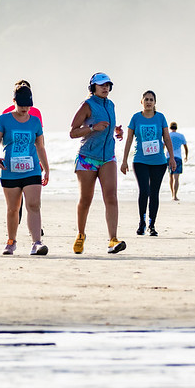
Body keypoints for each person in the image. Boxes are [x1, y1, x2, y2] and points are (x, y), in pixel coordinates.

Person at [69, 72, 126, 254]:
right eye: (101, 85)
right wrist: (93, 128)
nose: (105, 88)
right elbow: (73, 132)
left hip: (108, 156)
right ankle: (80, 234)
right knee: (86, 200)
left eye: (108, 85)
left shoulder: (111, 105)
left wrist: (115, 131)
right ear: (93, 87)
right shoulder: (87, 105)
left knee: (111, 197)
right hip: (87, 158)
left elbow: (107, 126)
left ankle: (113, 239)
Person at [0, 85, 50, 255]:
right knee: (13, 208)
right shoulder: (3, 120)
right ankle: (11, 242)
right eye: (21, 104)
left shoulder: (35, 121)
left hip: (31, 169)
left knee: (34, 205)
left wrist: (46, 169)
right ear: (14, 101)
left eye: (28, 104)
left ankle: (36, 242)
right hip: (10, 170)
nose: (25, 108)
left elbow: (40, 146)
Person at [121, 90, 176, 236]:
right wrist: (124, 160)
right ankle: (142, 222)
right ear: (141, 102)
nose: (149, 102)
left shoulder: (160, 117)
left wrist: (171, 157)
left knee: (154, 192)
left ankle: (152, 224)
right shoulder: (135, 118)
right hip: (140, 160)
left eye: (151, 99)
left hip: (158, 162)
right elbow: (128, 140)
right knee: (144, 191)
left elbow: (167, 138)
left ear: (155, 102)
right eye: (146, 99)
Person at [1, 79, 44, 233]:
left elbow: (39, 141)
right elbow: (3, 140)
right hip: (12, 164)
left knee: (33, 201)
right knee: (14, 204)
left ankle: (36, 229)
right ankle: (15, 226)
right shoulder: (6, 114)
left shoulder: (36, 114)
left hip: (31, 161)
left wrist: (41, 162)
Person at [168, 122, 188, 201]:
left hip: (169, 157)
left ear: (170, 127)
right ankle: (175, 195)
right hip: (178, 157)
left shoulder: (168, 135)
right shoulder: (181, 136)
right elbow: (185, 147)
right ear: (176, 127)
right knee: (176, 178)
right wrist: (186, 156)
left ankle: (172, 193)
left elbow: (163, 146)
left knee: (171, 177)